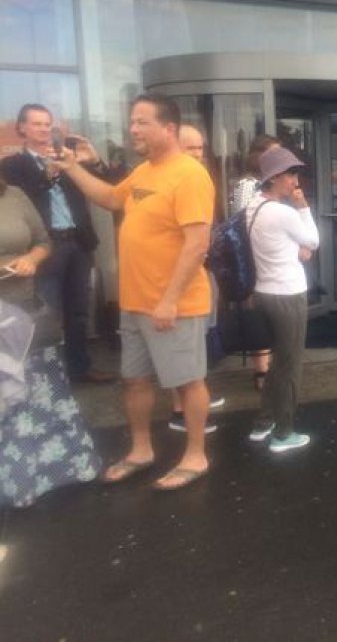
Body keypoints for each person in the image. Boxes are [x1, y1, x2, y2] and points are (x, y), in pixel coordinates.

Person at [57, 94, 215, 491]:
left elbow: (197, 244)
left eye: (142, 122)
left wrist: (170, 299)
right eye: (132, 122)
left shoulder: (189, 174)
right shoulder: (145, 171)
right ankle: (141, 450)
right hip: (136, 301)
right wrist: (73, 168)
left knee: (187, 381)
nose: (133, 129)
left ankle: (196, 455)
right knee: (135, 381)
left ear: (169, 128)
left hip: (173, 305)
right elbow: (111, 198)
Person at [0, 173, 101, 508]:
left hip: (26, 312)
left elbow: (44, 240)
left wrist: (32, 258)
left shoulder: (14, 193)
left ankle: (51, 474)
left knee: (39, 395)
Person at [0, 104, 116, 384]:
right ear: (22, 129)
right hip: (45, 247)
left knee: (78, 311)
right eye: (37, 124)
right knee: (46, 313)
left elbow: (110, 188)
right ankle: (45, 376)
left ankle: (79, 368)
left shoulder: (68, 159)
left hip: (77, 242)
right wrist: (47, 174)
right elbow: (22, 199)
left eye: (47, 124)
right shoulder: (12, 166)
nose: (43, 129)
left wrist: (94, 161)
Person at [245, 147, 320, 451]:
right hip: (288, 294)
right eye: (290, 174)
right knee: (290, 365)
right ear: (274, 177)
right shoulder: (285, 212)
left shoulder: (254, 206)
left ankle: (264, 423)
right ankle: (284, 433)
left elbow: (279, 244)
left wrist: (295, 249)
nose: (295, 181)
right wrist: (303, 208)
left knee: (278, 361)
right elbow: (313, 240)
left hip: (264, 292)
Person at [167, 124, 225, 432]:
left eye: (200, 148)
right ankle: (181, 412)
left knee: (198, 337)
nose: (198, 154)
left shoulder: (197, 178)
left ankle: (194, 396)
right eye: (191, 148)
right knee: (180, 346)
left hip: (201, 271)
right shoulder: (172, 179)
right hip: (178, 277)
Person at [231, 134, 279, 390]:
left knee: (268, 311)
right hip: (253, 255)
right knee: (258, 312)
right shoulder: (249, 184)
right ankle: (261, 371)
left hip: (271, 254)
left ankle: (267, 367)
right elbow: (240, 221)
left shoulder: (272, 181)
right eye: (272, 153)